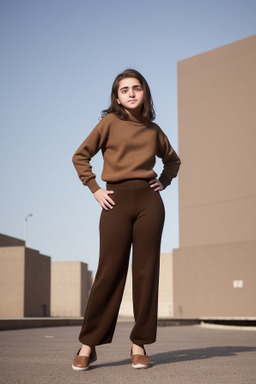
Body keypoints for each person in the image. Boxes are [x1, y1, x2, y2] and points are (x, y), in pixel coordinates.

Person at [72, 69, 181, 371]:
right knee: (109, 272)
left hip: (149, 202)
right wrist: (94, 189)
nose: (131, 93)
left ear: (144, 93)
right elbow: (80, 156)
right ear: (117, 97)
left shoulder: (154, 130)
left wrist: (164, 180)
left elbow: (173, 160)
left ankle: (139, 344)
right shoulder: (108, 123)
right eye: (124, 90)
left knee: (146, 273)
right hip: (115, 202)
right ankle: (88, 344)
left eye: (136, 88)